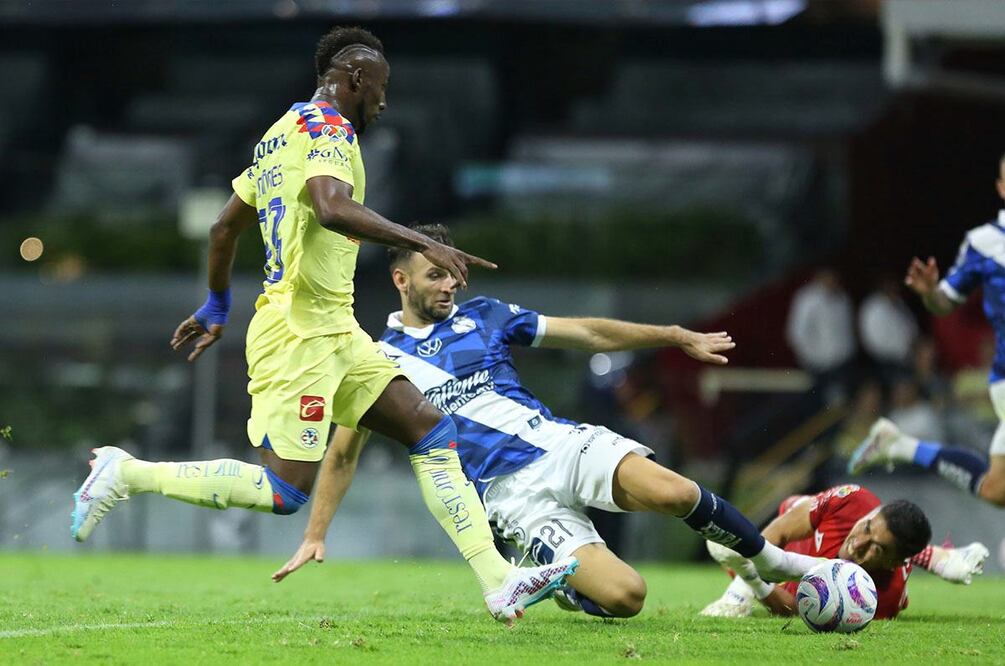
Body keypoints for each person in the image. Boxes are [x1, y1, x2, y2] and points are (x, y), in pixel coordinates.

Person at [69, 26, 576, 624]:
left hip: (334, 327)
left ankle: (498, 582)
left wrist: (216, 305)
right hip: (301, 333)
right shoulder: (329, 130)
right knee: (286, 493)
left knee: (430, 429)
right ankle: (125, 472)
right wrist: (424, 243)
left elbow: (223, 228)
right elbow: (333, 209)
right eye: (381, 87)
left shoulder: (279, 132)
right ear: (356, 79)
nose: (384, 101)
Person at [272, 223, 826, 617]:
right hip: (512, 496)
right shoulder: (377, 361)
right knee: (627, 596)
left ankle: (776, 564)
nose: (450, 284)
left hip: (560, 444)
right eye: (436, 275)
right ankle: (560, 579)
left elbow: (585, 332)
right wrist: (314, 534)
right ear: (401, 281)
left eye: (453, 274)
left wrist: (672, 335)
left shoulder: (485, 316)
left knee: (678, 494)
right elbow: (343, 451)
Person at [849, 154, 1005, 508]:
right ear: (1001, 187)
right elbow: (945, 302)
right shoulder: (984, 242)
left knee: (996, 490)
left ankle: (899, 445)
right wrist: (930, 293)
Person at [700, 484, 989, 619]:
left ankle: (932, 556)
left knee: (742, 561)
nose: (858, 543)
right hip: (797, 527)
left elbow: (795, 609)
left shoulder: (878, 600)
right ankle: (935, 556)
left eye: (876, 548)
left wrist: (749, 577)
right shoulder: (853, 502)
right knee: (794, 505)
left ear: (892, 563)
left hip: (806, 581)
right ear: (870, 515)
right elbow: (781, 530)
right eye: (866, 528)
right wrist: (737, 595)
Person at [785, 268, 856, 402]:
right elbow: (796, 334)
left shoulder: (842, 297)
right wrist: (814, 359)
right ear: (820, 278)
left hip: (845, 361)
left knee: (847, 400)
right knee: (830, 405)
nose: (833, 282)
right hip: (821, 366)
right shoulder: (807, 300)